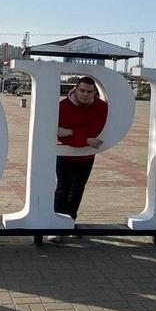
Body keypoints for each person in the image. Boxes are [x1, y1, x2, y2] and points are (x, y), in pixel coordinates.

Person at [48, 76, 108, 243]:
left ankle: (70, 222)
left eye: (89, 92)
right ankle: (55, 226)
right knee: (63, 188)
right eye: (82, 90)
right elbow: (60, 134)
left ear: (95, 93)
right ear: (75, 89)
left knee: (78, 189)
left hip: (86, 156)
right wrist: (85, 139)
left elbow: (96, 131)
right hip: (65, 154)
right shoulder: (63, 106)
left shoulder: (101, 108)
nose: (85, 95)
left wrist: (71, 132)